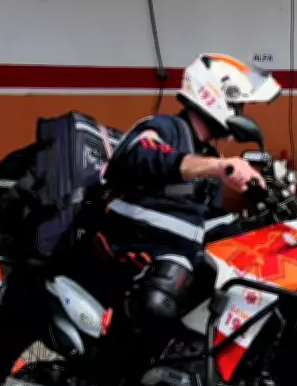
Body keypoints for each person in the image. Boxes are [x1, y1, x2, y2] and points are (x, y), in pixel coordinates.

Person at [100, 53, 282, 359]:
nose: (241, 113)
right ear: (216, 96)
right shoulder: (165, 127)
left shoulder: (207, 155)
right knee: (165, 288)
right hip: (124, 244)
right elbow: (140, 155)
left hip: (175, 250)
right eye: (238, 105)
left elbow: (209, 220)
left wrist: (262, 227)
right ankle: (118, 370)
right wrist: (219, 167)